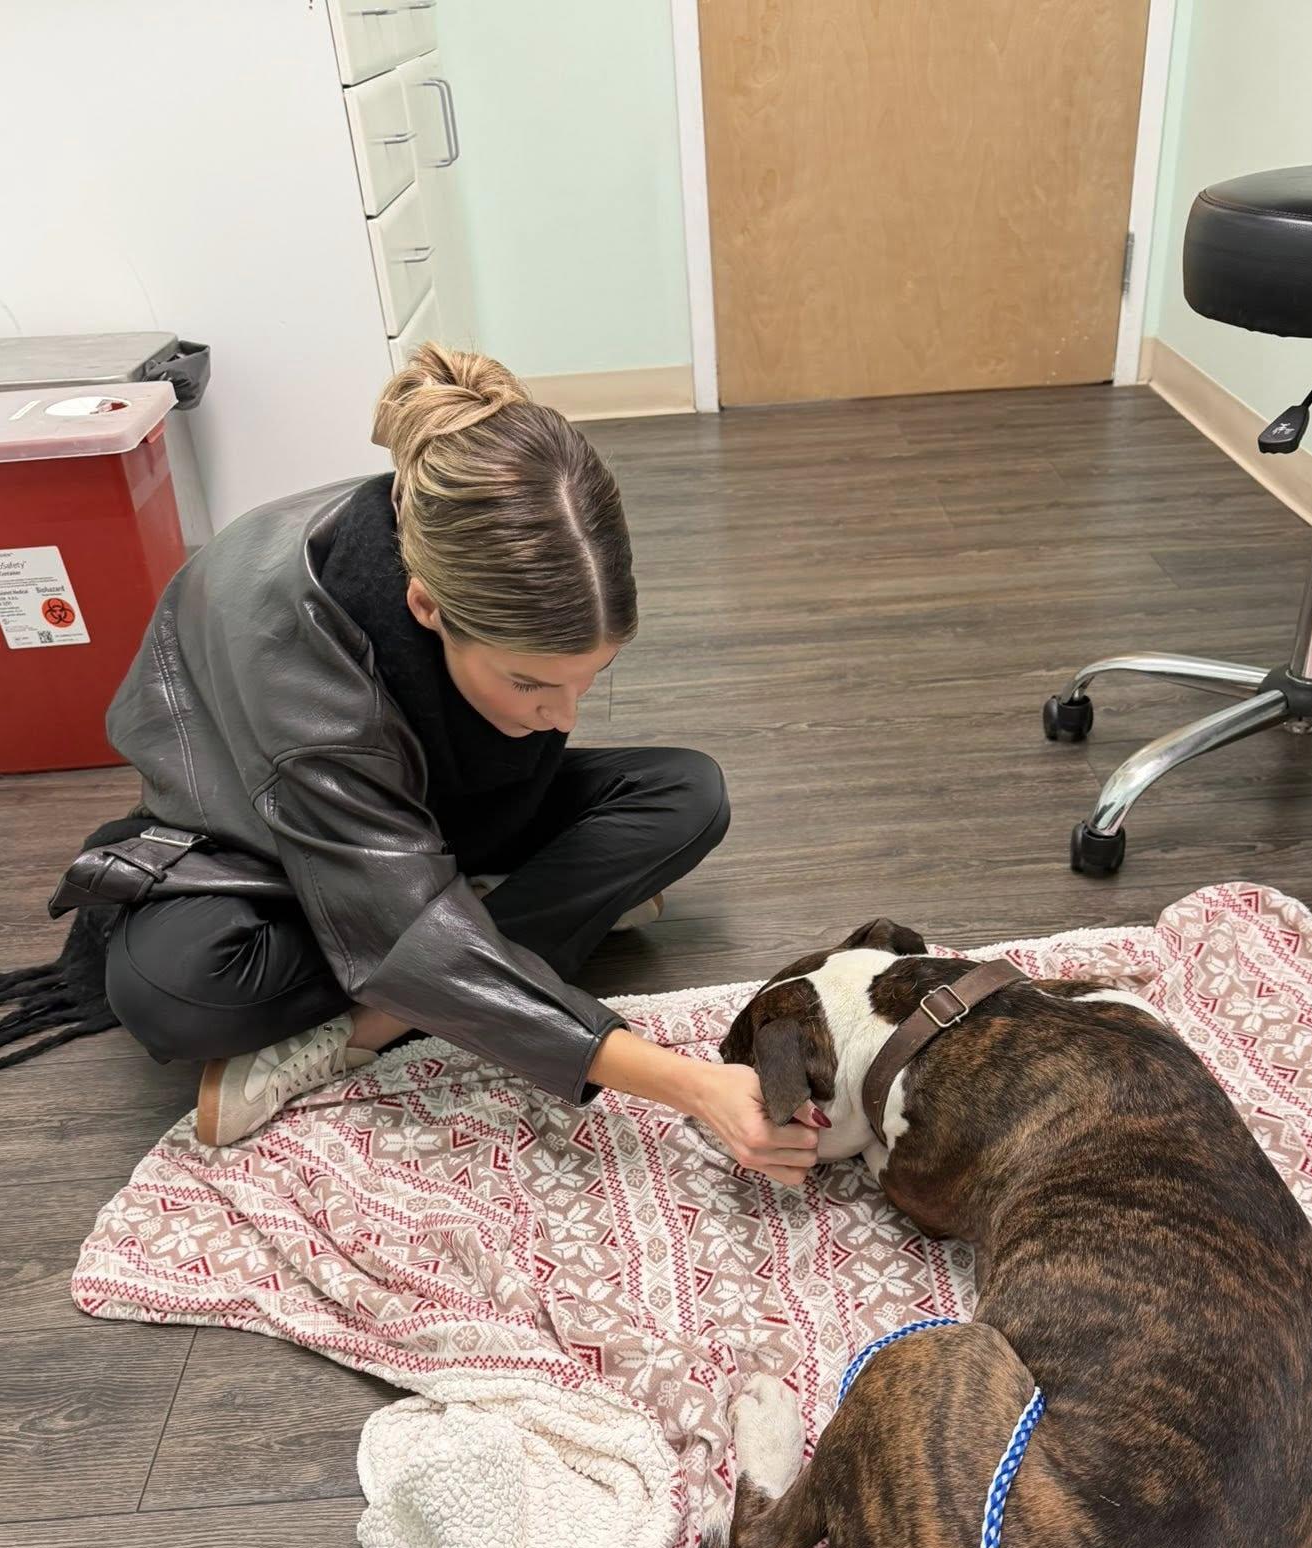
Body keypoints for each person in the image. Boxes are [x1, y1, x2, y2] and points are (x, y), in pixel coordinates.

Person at [59, 346, 821, 1184]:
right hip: (259, 837)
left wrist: (522, 697)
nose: (561, 719)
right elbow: (404, 931)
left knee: (683, 792)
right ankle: (451, 955)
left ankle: (380, 1015)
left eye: (587, 679)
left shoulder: (467, 534)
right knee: (179, 991)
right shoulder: (302, 680)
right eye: (531, 683)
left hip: (423, 809)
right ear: (424, 605)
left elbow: (506, 752)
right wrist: (692, 1086)